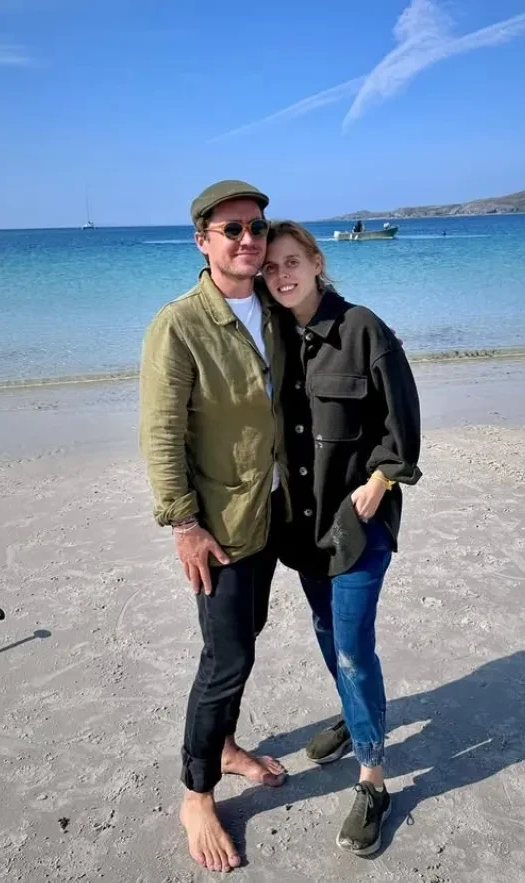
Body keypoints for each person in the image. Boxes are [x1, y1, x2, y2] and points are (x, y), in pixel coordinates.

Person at [139, 181, 289, 874]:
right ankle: (196, 793)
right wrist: (183, 523)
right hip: (218, 523)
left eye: (256, 227)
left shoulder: (274, 306)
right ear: (202, 241)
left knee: (245, 639)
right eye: (231, 229)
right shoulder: (179, 324)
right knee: (224, 658)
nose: (248, 239)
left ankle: (225, 747)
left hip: (269, 511)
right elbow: (161, 431)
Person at [260, 221, 422, 856]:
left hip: (356, 526)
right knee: (327, 634)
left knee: (353, 648)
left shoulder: (363, 329)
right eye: (270, 267)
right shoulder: (271, 337)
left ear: (317, 262)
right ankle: (357, 719)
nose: (281, 275)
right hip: (302, 528)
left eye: (291, 261)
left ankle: (374, 781)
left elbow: (402, 427)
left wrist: (380, 480)